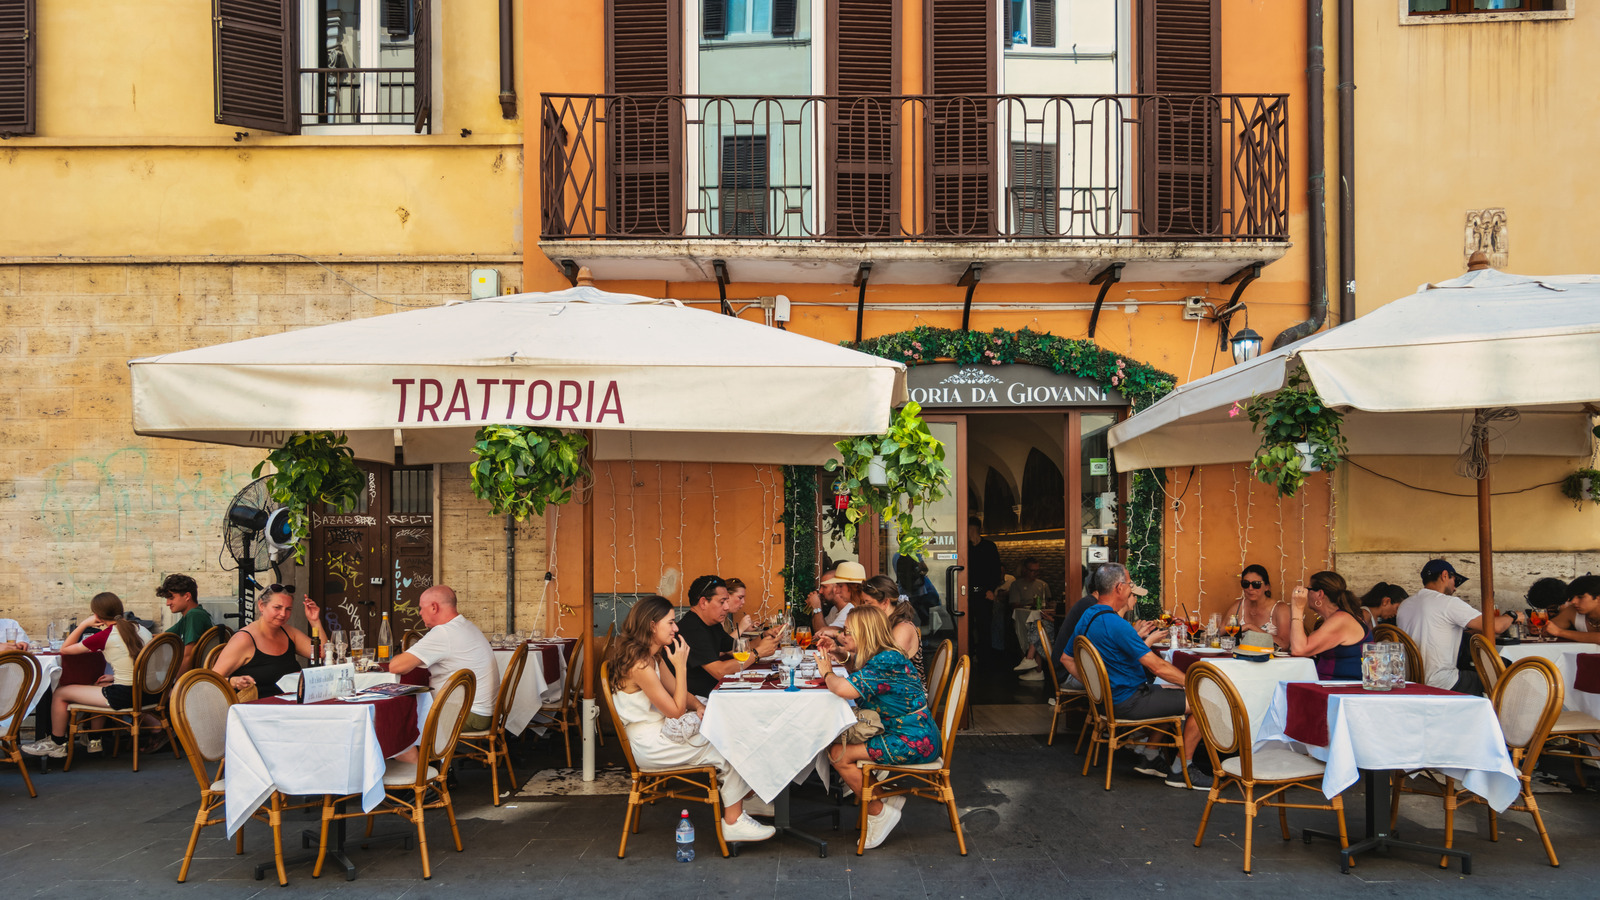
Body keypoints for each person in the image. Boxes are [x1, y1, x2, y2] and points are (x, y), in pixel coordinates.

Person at [608, 594, 775, 843]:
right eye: (670, 623)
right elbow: (675, 711)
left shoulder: (652, 656)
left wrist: (698, 705)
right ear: (652, 625)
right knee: (730, 742)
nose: (676, 628)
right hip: (651, 745)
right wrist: (681, 666)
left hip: (661, 733)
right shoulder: (640, 665)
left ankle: (744, 801)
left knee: (729, 731)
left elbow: (678, 692)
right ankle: (734, 821)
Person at [1069, 563, 1210, 790]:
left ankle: (1150, 756)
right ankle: (1181, 770)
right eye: (1130, 584)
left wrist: (1097, 690)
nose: (1131, 588)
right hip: (1129, 701)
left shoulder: (1088, 616)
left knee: (1172, 691)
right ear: (1119, 588)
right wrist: (1194, 684)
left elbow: (1066, 659)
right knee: (1204, 699)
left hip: (1107, 702)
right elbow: (1158, 668)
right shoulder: (1117, 624)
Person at [816, 606, 940, 850]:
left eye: (848, 632)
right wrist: (840, 653)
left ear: (865, 633)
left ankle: (878, 811)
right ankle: (881, 796)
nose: (842, 636)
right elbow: (859, 671)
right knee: (838, 745)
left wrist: (826, 671)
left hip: (912, 740)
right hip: (912, 732)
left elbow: (843, 689)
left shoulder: (885, 661)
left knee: (839, 754)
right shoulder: (885, 656)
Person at [21, 592, 151, 760]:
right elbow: (139, 662)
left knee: (60, 693)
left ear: (97, 615)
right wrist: (114, 677)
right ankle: (94, 739)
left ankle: (57, 742)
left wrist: (84, 624)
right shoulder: (141, 629)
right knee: (98, 685)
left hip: (125, 695)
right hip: (147, 692)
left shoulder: (104, 636)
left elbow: (65, 649)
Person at [388, 586, 501, 740]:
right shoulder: (466, 625)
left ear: (434, 607)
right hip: (485, 712)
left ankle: (419, 755)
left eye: (421, 608)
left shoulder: (444, 633)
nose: (420, 613)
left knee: (398, 717)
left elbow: (396, 666)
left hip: (468, 714)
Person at [1395, 558, 1515, 694]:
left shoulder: (1405, 605)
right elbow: (1496, 626)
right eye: (1455, 581)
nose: (1455, 588)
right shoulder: (1448, 603)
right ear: (1445, 575)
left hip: (1411, 681)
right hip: (1441, 682)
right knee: (1500, 677)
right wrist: (1512, 615)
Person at [676, 575, 778, 698]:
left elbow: (738, 650)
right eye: (722, 602)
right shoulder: (692, 629)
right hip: (699, 699)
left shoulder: (712, 624)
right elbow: (720, 671)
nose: (726, 607)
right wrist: (757, 653)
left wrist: (764, 636)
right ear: (703, 602)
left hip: (717, 690)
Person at [213, 587, 320, 699]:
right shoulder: (244, 639)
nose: (283, 614)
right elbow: (210, 681)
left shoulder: (288, 632)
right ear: (261, 606)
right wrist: (233, 681)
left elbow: (320, 653)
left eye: (288, 609)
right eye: (277, 607)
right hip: (257, 707)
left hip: (291, 704)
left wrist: (314, 621)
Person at [1286, 571, 1372, 680]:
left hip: (1345, 686)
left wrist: (1297, 608)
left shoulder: (1341, 620)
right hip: (1329, 683)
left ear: (1320, 594)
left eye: (1309, 589)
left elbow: (1299, 650)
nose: (1306, 594)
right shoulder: (1336, 618)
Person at [858, 575, 923, 680]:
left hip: (905, 688)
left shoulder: (902, 629)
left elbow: (888, 668)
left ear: (885, 602)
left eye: (868, 603)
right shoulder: (884, 625)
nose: (864, 607)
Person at [158, 573, 213, 674]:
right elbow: (163, 637)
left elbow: (188, 656)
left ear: (187, 596)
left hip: (196, 677)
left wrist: (177, 683)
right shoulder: (189, 616)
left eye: (171, 598)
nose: (167, 603)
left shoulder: (194, 615)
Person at [966, 519, 1004, 657]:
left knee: (984, 627)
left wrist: (991, 589)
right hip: (968, 593)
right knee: (967, 627)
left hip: (984, 592)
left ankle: (985, 658)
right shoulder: (965, 547)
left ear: (974, 529)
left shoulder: (989, 547)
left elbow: (996, 570)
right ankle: (969, 655)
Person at [1010, 558, 1052, 679]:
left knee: (1038, 633)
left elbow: (1048, 602)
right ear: (1025, 570)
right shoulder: (1016, 585)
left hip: (1042, 619)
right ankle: (1030, 668)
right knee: (1024, 640)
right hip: (1023, 618)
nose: (1035, 574)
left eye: (1037, 571)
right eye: (1032, 571)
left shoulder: (1043, 585)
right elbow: (1014, 604)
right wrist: (1030, 604)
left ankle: (1036, 669)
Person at [1231, 565, 1288, 647]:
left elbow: (1284, 645)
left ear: (1267, 587)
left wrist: (1251, 627)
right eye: (1245, 584)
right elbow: (1219, 632)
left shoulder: (1280, 608)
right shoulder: (1239, 605)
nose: (1250, 588)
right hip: (1242, 654)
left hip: (1270, 655)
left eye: (1256, 584)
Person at [805, 561, 865, 632]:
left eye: (840, 586)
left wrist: (816, 606)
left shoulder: (851, 609)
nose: (836, 591)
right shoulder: (836, 609)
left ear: (853, 587)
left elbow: (822, 632)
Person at [1542, 575, 1600, 644]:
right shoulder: (1572, 611)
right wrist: (1537, 629)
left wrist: (1560, 632)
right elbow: (1548, 628)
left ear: (1598, 598)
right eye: (1572, 597)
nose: (1573, 601)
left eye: (1580, 597)